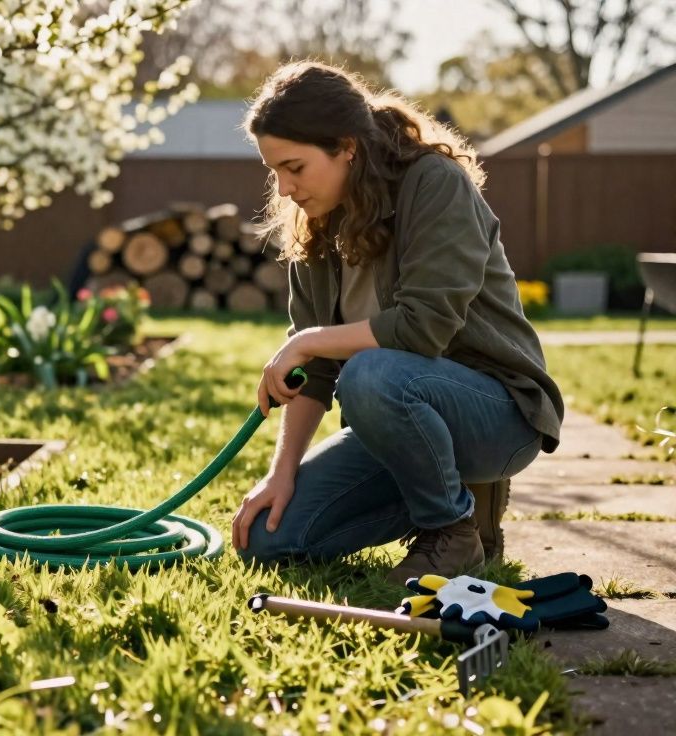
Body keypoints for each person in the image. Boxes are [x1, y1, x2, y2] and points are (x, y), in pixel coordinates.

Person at [229, 61, 564, 585]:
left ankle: (451, 531)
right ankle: (457, 499)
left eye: (295, 167)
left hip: (498, 416)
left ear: (346, 147)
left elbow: (423, 327)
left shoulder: (435, 184)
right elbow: (315, 373)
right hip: (395, 426)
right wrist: (282, 473)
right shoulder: (314, 222)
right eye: (275, 171)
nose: (285, 188)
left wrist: (312, 340)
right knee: (268, 539)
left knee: (370, 373)